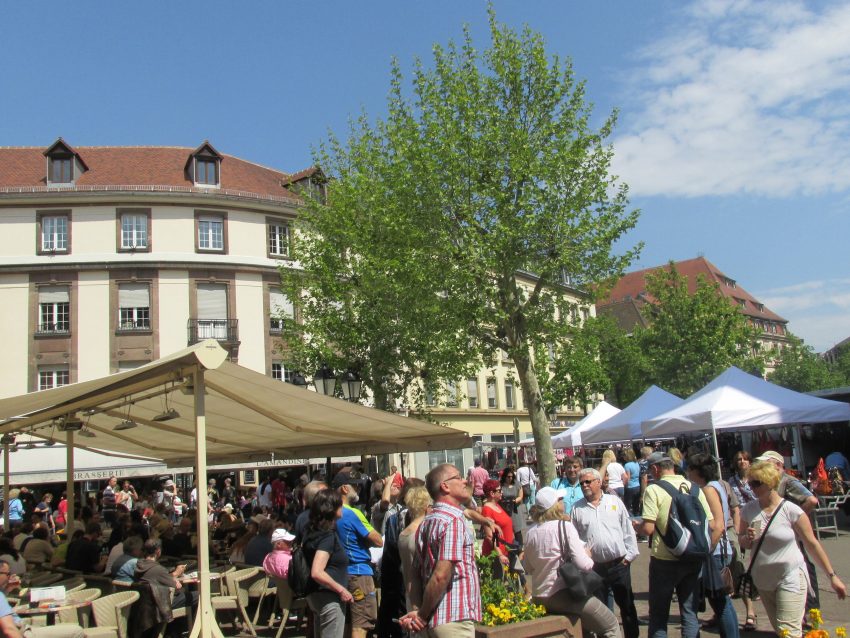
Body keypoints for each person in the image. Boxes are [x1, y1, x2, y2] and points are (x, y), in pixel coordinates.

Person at [739, 460, 846, 636]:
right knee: (782, 631)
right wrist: (746, 538)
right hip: (763, 580)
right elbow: (742, 540)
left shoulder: (791, 510)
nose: (751, 487)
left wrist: (832, 576)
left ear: (770, 483)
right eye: (750, 483)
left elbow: (812, 544)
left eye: (756, 483)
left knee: (788, 631)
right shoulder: (748, 510)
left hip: (790, 576)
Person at [521, 486, 621, 638]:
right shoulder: (564, 527)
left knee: (586, 630)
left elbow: (528, 566)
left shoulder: (531, 532)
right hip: (564, 593)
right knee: (610, 626)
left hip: (540, 595)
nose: (563, 502)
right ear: (554, 506)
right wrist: (587, 554)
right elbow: (585, 565)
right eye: (560, 500)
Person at [636, 451, 713, 638]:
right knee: (689, 613)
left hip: (664, 558)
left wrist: (635, 526)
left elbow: (648, 528)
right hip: (692, 555)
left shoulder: (653, 490)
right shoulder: (694, 488)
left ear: (655, 469)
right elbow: (709, 523)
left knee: (659, 614)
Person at [399, 464, 481, 637]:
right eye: (458, 477)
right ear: (445, 486)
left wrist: (417, 609)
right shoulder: (452, 521)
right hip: (453, 618)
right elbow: (441, 575)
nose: (464, 481)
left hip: (435, 620)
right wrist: (421, 615)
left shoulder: (427, 522)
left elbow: (414, 574)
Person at [571, 468, 639, 638]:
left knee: (627, 606)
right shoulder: (577, 508)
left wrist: (630, 556)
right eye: (581, 483)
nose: (584, 485)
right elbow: (573, 536)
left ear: (598, 482)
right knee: (600, 611)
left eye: (588, 481)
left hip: (619, 564)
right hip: (595, 568)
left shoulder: (613, 502)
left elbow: (627, 529)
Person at [755, 450, 821, 618]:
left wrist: (793, 521)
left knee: (803, 565)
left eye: (767, 463)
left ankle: (811, 611)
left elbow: (811, 500)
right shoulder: (772, 483)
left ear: (778, 465)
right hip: (780, 537)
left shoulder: (787, 480)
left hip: (791, 533)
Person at [684, 453, 739, 638]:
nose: (687, 473)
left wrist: (706, 550)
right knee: (722, 601)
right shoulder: (716, 486)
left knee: (720, 602)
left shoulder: (708, 489)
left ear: (697, 471)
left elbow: (718, 524)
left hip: (715, 552)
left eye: (690, 469)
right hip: (718, 549)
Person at [334, 472, 383, 638]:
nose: (358, 488)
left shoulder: (329, 512)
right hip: (359, 573)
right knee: (361, 623)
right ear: (344, 488)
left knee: (346, 623)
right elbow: (378, 540)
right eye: (354, 486)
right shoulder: (352, 513)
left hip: (338, 575)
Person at [303, 488, 353, 638]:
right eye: (339, 504)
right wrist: (341, 590)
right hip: (330, 598)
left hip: (315, 596)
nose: (342, 507)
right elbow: (317, 572)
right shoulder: (327, 537)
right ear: (332, 509)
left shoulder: (311, 532)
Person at [0, 558, 85, 638]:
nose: (9, 577)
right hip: (23, 632)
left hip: (25, 627)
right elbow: (9, 630)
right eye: (8, 574)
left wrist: (8, 589)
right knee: (77, 631)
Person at [397, 486, 432, 614]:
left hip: (409, 594)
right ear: (426, 505)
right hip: (423, 596)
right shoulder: (423, 531)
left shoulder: (402, 534)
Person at [134, 538, 191, 614]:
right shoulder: (158, 569)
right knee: (197, 596)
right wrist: (177, 583)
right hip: (161, 604)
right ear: (158, 551)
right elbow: (177, 589)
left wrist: (174, 575)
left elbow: (156, 577)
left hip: (145, 604)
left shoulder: (138, 566)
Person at [480, 479, 515, 569]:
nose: (502, 492)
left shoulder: (496, 505)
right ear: (492, 493)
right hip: (497, 556)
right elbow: (489, 536)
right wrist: (500, 555)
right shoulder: (487, 510)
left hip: (507, 551)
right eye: (499, 490)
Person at [499, 467, 527, 544]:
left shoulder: (517, 483)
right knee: (506, 530)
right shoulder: (501, 485)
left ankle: (520, 548)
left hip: (515, 509)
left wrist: (514, 501)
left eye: (512, 476)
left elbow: (521, 496)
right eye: (508, 476)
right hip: (504, 510)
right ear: (505, 476)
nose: (510, 478)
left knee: (517, 531)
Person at [622, 449, 641, 517]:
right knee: (636, 507)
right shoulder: (636, 463)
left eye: (624, 455)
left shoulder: (627, 465)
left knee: (627, 507)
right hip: (637, 486)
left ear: (627, 456)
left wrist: (624, 486)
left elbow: (628, 478)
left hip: (630, 488)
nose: (623, 457)